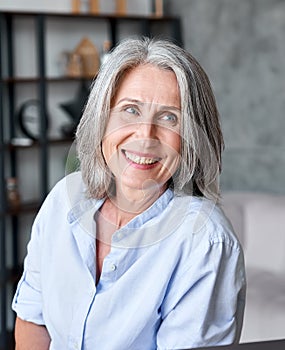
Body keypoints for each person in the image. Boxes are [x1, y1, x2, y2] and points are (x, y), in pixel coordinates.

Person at [12, 37, 246, 350]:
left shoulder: (205, 241)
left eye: (169, 117)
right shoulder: (63, 198)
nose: (145, 136)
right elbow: (32, 320)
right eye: (130, 110)